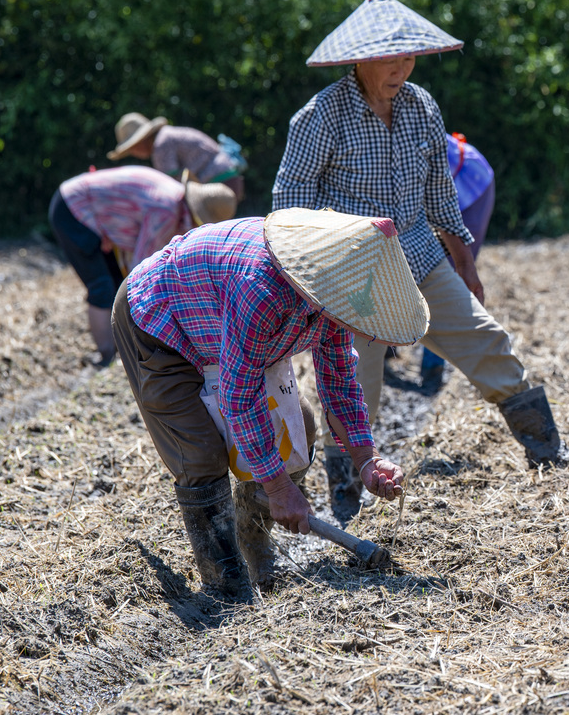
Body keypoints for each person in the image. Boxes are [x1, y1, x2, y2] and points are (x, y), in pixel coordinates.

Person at [273, 0, 569, 518]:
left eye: (408, 55)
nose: (401, 66)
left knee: (487, 340)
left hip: (420, 254)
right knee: (354, 383)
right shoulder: (321, 116)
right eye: (389, 57)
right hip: (352, 274)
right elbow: (289, 204)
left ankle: (548, 453)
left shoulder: (421, 105)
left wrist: (466, 262)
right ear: (359, 59)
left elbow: (441, 193)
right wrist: (306, 285)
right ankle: (347, 499)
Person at [112, 208, 429, 598]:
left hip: (222, 329)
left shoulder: (341, 297)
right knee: (201, 454)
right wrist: (279, 487)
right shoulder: (263, 288)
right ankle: (224, 586)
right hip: (161, 323)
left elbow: (340, 382)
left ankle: (253, 539)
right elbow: (239, 396)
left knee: (301, 429)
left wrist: (367, 459)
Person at [48, 165, 236, 366]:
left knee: (114, 283)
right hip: (73, 207)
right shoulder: (166, 211)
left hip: (82, 203)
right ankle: (107, 357)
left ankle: (118, 349)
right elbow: (140, 268)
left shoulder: (173, 198)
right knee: (102, 285)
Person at [418, 132, 498, 386]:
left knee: (444, 274)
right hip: (439, 193)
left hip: (471, 184)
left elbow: (435, 204)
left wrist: (464, 263)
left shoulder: (407, 132)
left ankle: (433, 368)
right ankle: (385, 346)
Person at [108, 113, 248, 201]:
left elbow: (170, 188)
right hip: (229, 178)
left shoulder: (161, 146)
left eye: (132, 149)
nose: (134, 153)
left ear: (141, 141)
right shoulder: (167, 135)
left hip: (218, 186)